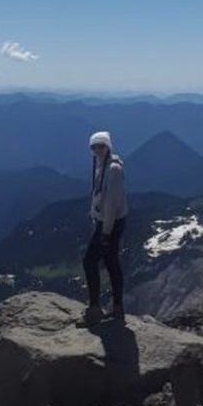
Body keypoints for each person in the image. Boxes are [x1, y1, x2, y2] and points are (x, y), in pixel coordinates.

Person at [82, 130, 128, 326]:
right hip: (108, 221)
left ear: (108, 146)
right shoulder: (103, 165)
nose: (97, 150)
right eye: (94, 147)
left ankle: (95, 309)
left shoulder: (113, 169)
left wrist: (106, 232)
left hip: (111, 223)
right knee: (111, 263)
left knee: (89, 261)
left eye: (101, 146)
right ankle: (117, 308)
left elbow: (112, 203)